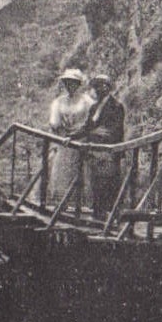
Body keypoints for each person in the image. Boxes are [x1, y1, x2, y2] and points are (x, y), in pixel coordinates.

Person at [78, 73, 126, 220]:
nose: (99, 89)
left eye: (103, 86)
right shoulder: (94, 107)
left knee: (110, 183)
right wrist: (72, 136)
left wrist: (97, 134)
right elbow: (87, 127)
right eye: (97, 86)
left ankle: (112, 216)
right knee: (96, 183)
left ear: (108, 88)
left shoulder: (116, 106)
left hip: (109, 152)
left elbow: (114, 130)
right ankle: (98, 214)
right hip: (95, 151)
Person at [47, 68, 92, 206]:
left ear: (79, 84)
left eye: (73, 82)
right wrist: (61, 127)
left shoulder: (87, 101)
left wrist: (78, 131)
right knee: (61, 172)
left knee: (82, 172)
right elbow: (54, 122)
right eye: (67, 82)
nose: (69, 85)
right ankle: (61, 204)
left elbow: (90, 122)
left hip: (81, 141)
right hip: (63, 142)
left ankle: (81, 205)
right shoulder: (59, 102)